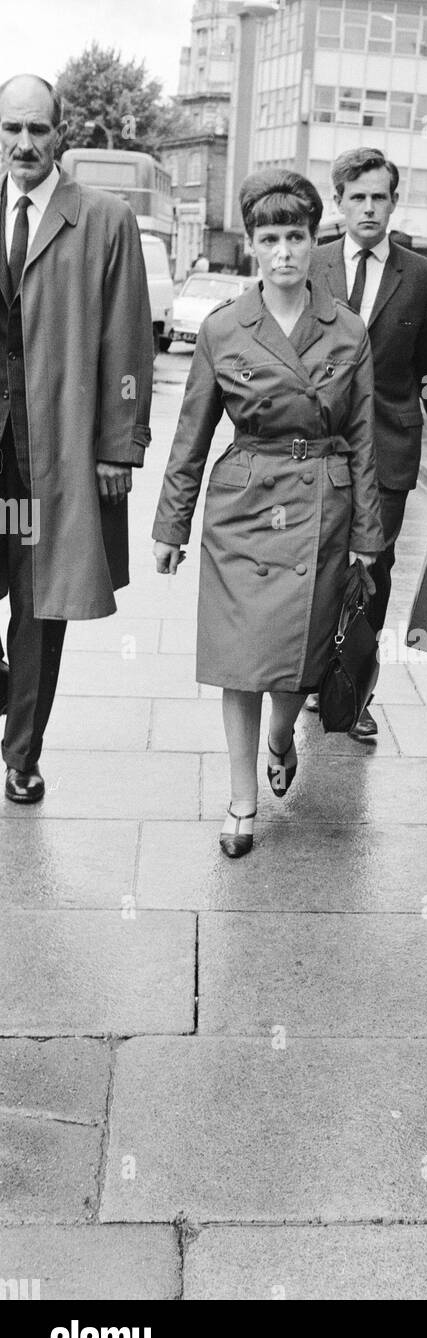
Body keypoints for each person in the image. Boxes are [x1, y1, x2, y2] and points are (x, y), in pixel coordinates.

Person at [152, 170, 384, 857]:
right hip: (243, 508)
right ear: (251, 246)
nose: (284, 252)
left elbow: (366, 434)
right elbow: (191, 433)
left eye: (297, 237)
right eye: (270, 239)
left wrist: (369, 533)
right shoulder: (225, 329)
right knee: (241, 662)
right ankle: (241, 799)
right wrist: (171, 525)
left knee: (296, 665)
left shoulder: (347, 330)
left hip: (323, 505)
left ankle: (283, 736)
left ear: (316, 241)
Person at [0, 73, 152, 804]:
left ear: (60, 132)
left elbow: (128, 344)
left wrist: (119, 445)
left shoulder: (104, 220)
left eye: (37, 129)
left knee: (38, 603)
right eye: (11, 130)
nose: (23, 144)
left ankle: (21, 755)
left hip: (48, 455)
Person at [310, 147, 427, 737]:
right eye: (357, 197)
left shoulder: (421, 278)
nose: (369, 207)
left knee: (375, 571)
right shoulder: (310, 264)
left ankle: (356, 694)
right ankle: (313, 679)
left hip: (390, 450)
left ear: (395, 202)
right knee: (318, 568)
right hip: (316, 448)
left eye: (380, 197)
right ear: (339, 202)